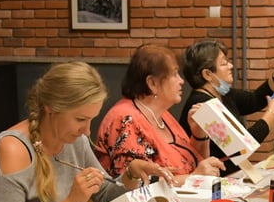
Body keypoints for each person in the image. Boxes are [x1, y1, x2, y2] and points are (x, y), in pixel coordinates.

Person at [0, 61, 171, 202]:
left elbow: (105, 195)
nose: (87, 131)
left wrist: (130, 174)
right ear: (51, 109)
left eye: (91, 119)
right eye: (80, 119)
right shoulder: (12, 149)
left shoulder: (75, 141)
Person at [95, 43, 224, 184]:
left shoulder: (162, 115)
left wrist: (199, 135)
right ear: (152, 83)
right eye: (174, 74)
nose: (181, 81)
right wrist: (194, 178)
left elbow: (194, 163)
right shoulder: (125, 119)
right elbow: (136, 184)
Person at [178, 39, 274, 175]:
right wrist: (272, 113)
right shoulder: (201, 105)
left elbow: (254, 100)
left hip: (233, 172)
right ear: (207, 74)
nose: (231, 66)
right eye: (224, 63)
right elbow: (241, 148)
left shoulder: (223, 94)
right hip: (217, 177)